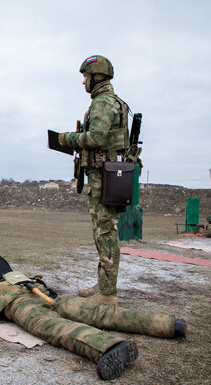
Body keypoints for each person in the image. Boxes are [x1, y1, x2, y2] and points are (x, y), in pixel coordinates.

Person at [0, 232, 187, 381]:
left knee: (52, 326)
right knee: (96, 311)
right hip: (35, 287)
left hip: (13, 297)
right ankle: (167, 325)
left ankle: (108, 347)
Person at [57, 55, 131, 305]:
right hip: (106, 176)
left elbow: (96, 138)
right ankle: (104, 285)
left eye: (85, 77)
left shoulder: (102, 102)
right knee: (102, 232)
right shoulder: (110, 101)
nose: (83, 82)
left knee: (106, 232)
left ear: (96, 77)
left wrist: (68, 138)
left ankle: (107, 295)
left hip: (104, 178)